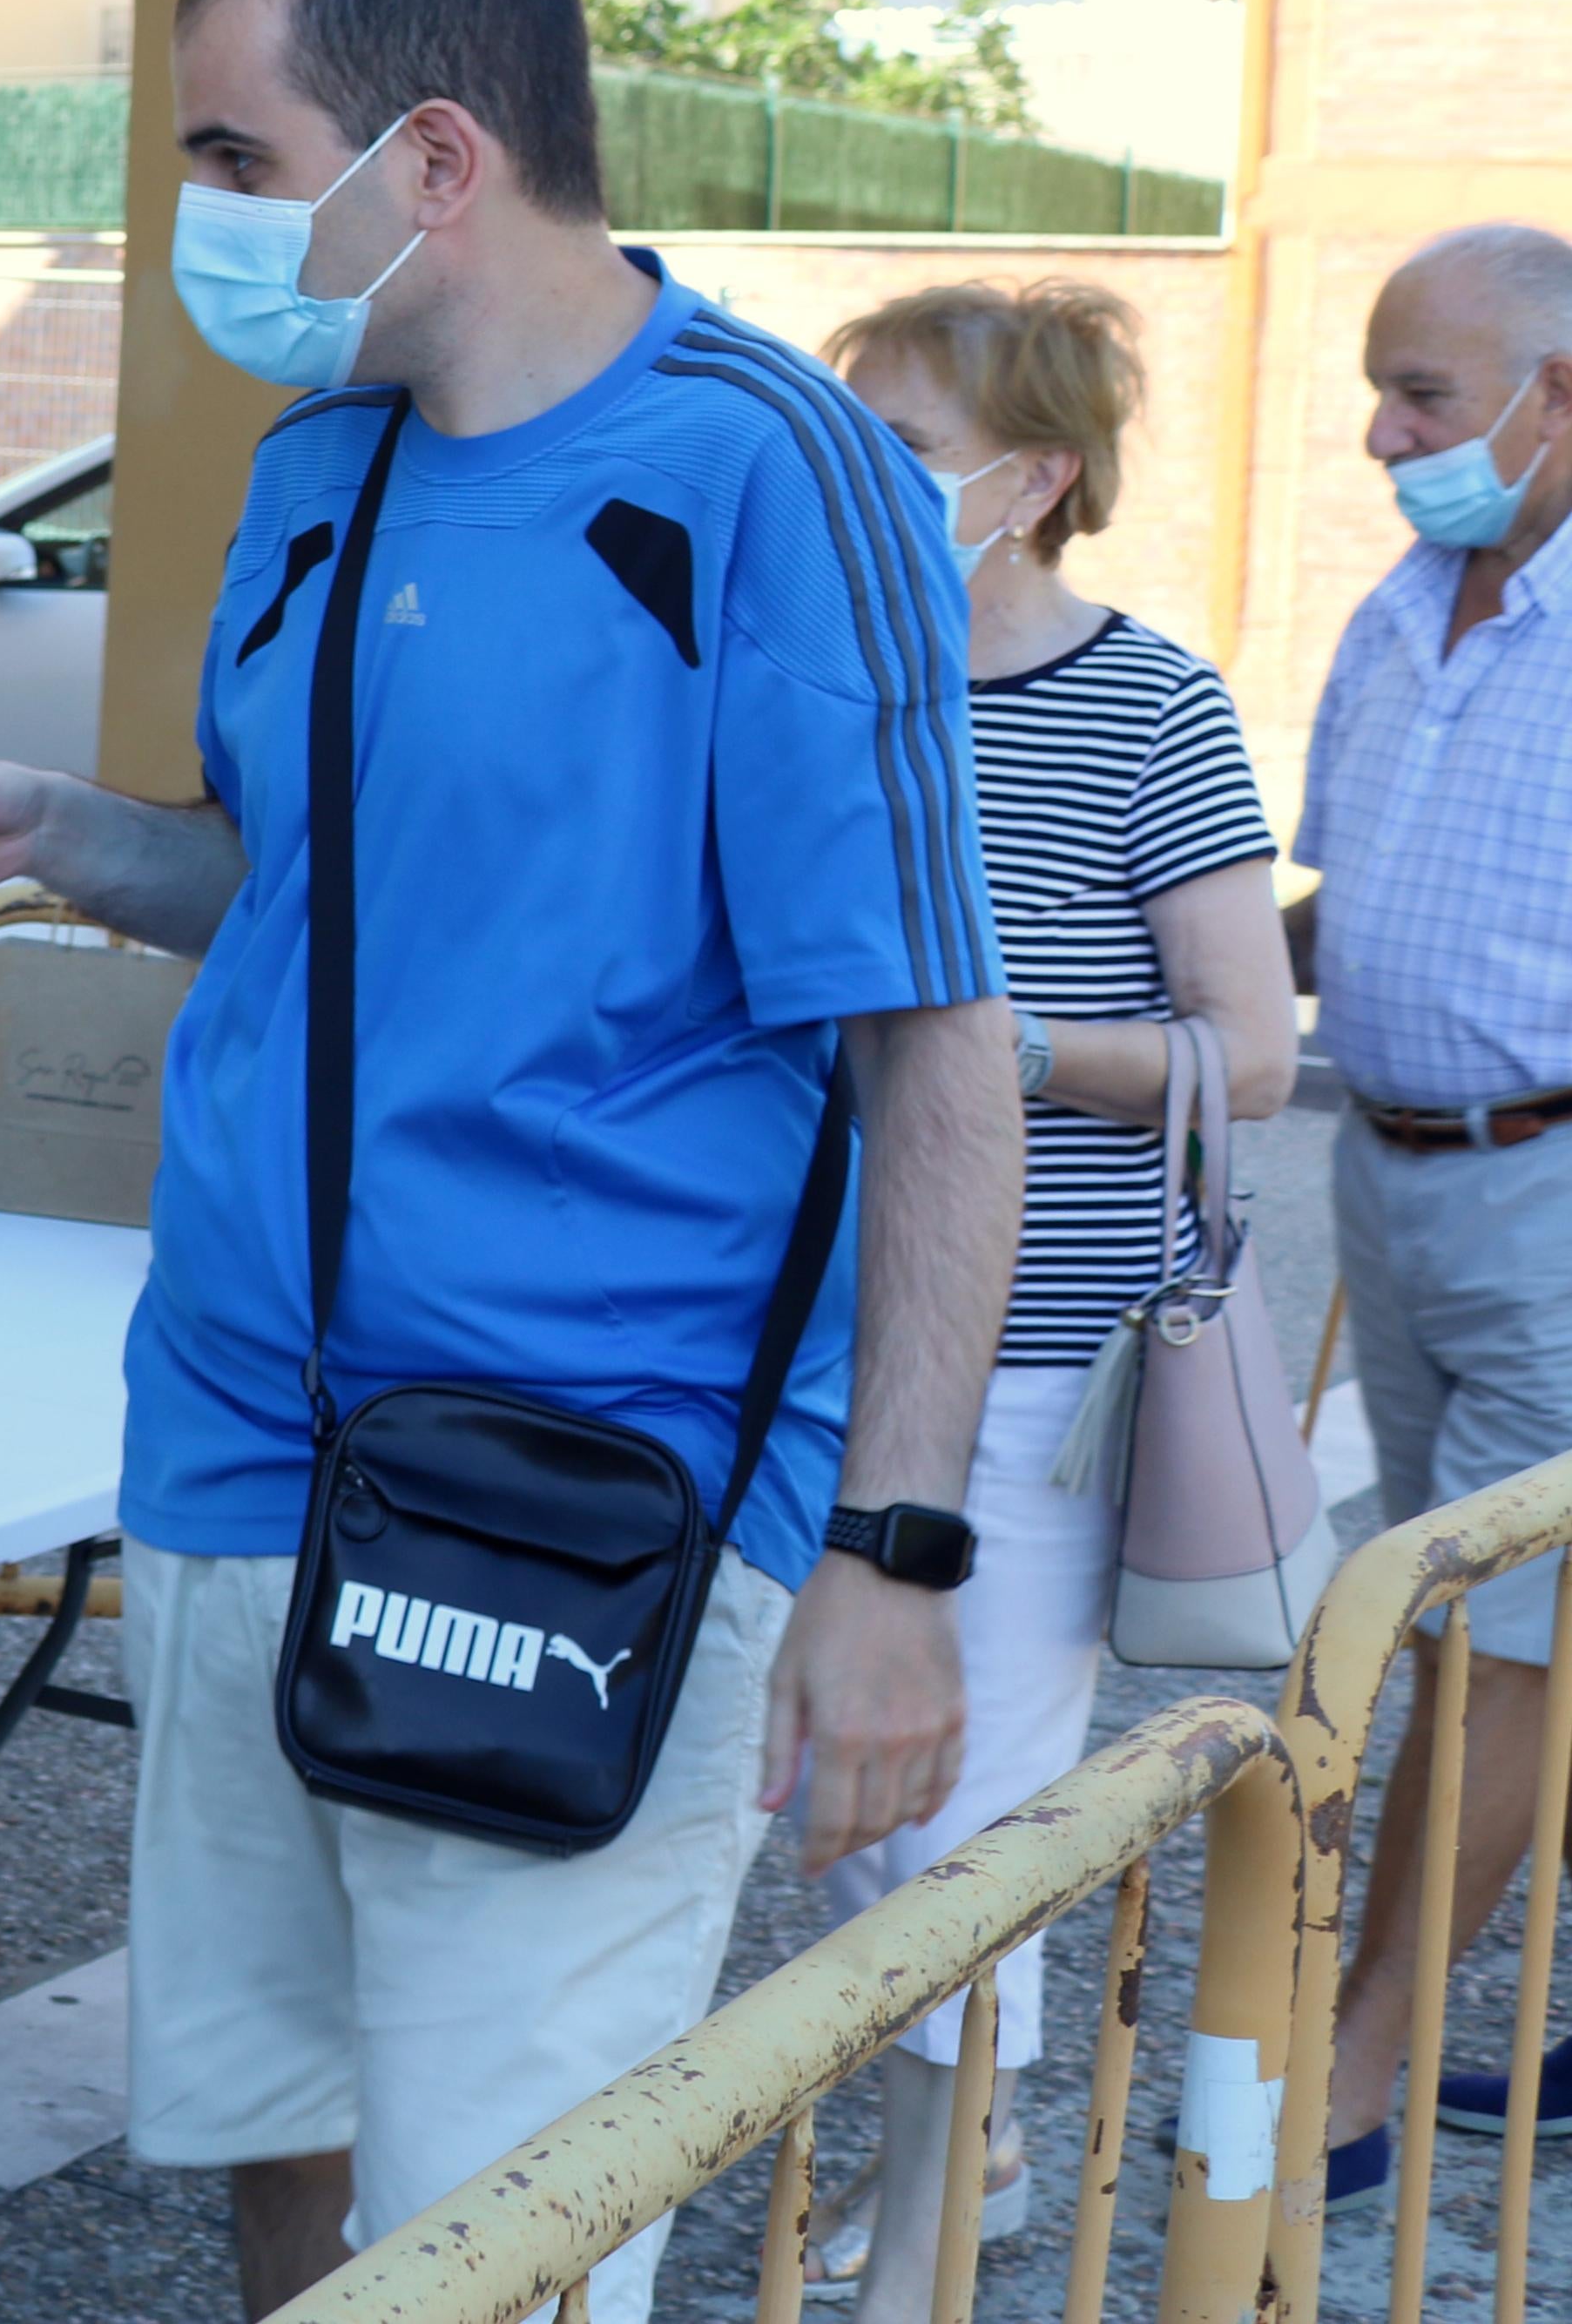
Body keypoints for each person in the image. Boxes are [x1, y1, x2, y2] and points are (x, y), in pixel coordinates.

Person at [0, 0, 1015, 2324]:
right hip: (236, 1449)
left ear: (440, 158)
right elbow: (299, 886)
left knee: (509, 2227)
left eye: (231, 156)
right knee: (278, 2125)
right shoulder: (318, 465)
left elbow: (937, 1045)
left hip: (580, 1485)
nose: (194, 221)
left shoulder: (771, 481)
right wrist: (71, 838)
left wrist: (891, 1560)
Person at [802, 280, 1289, 2306]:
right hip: (791, 1342)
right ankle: (963, 2138)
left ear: (1036, 480)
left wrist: (1017, 1051)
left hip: (1031, 1353)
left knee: (953, 1815)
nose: (857, 485)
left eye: (898, 447)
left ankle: (931, 2222)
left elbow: (1247, 1044)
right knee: (831, 1806)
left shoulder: (1149, 702)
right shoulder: (810, 677)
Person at [1301, 221, 1572, 2193]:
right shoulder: (1395, 611)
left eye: (1423, 392)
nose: (1382, 433)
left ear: (1556, 397)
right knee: (1450, 1621)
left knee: (1490, 1636)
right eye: (1383, 386)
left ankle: (1356, 2058)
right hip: (1384, 1180)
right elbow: (1338, 900)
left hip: (1552, 1187)